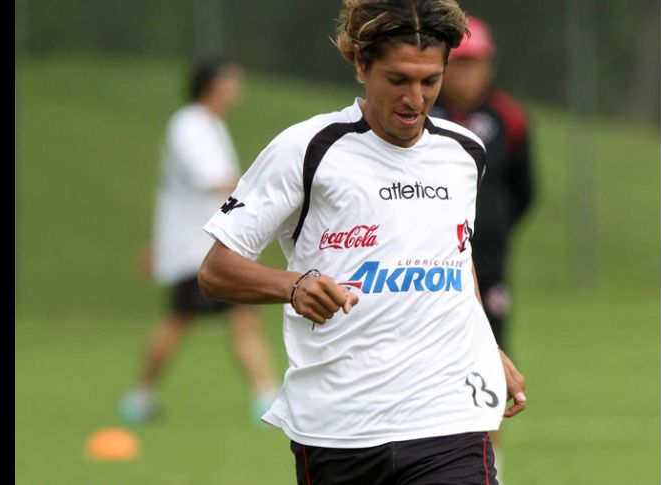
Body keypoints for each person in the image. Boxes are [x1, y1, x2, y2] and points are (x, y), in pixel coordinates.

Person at [199, 1, 526, 483]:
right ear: (360, 64)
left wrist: (483, 346)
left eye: (430, 81)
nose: (415, 98)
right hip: (338, 430)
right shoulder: (307, 150)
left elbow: (455, 256)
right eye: (398, 79)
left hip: (447, 419)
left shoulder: (463, 152)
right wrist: (294, 286)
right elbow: (215, 270)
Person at [119, 59, 279, 425]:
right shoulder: (189, 125)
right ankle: (139, 398)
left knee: (237, 315)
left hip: (207, 245)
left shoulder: (208, 125)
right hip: (197, 249)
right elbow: (212, 180)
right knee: (184, 320)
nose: (238, 89)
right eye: (231, 82)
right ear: (212, 86)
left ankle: (265, 397)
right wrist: (264, 197)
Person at [431, 16, 534, 354]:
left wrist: (494, 223)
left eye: (472, 64)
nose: (464, 73)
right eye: (458, 64)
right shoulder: (420, 113)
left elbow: (524, 191)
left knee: (491, 350)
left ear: (488, 67)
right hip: (428, 262)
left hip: (489, 262)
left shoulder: (510, 118)